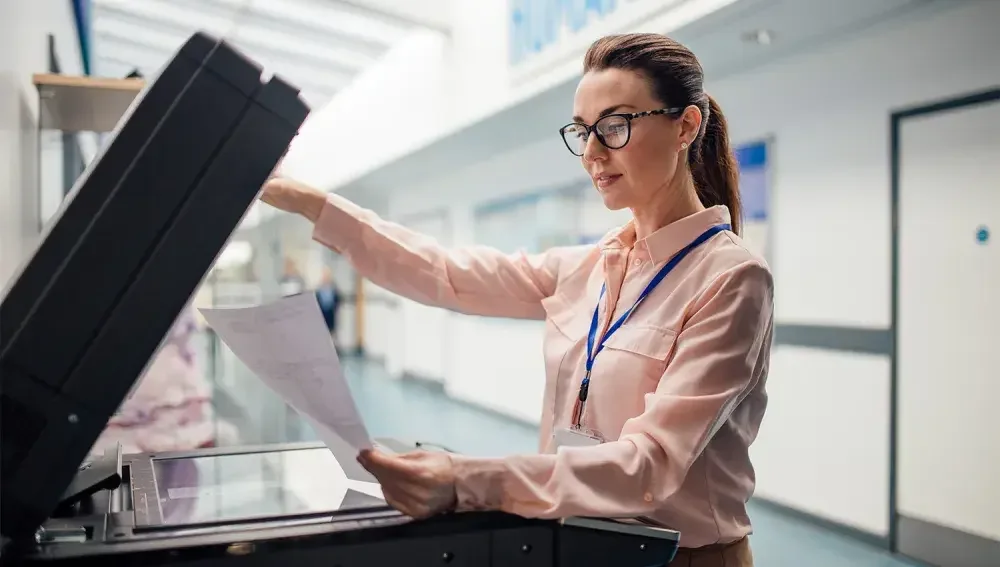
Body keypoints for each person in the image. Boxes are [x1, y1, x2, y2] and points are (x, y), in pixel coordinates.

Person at [262, 33, 771, 566]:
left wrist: (468, 481)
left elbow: (650, 466)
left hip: (681, 558)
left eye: (615, 125)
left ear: (685, 126)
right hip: (579, 541)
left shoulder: (732, 279)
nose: (592, 152)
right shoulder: (588, 266)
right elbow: (445, 272)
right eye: (582, 130)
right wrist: (312, 203)